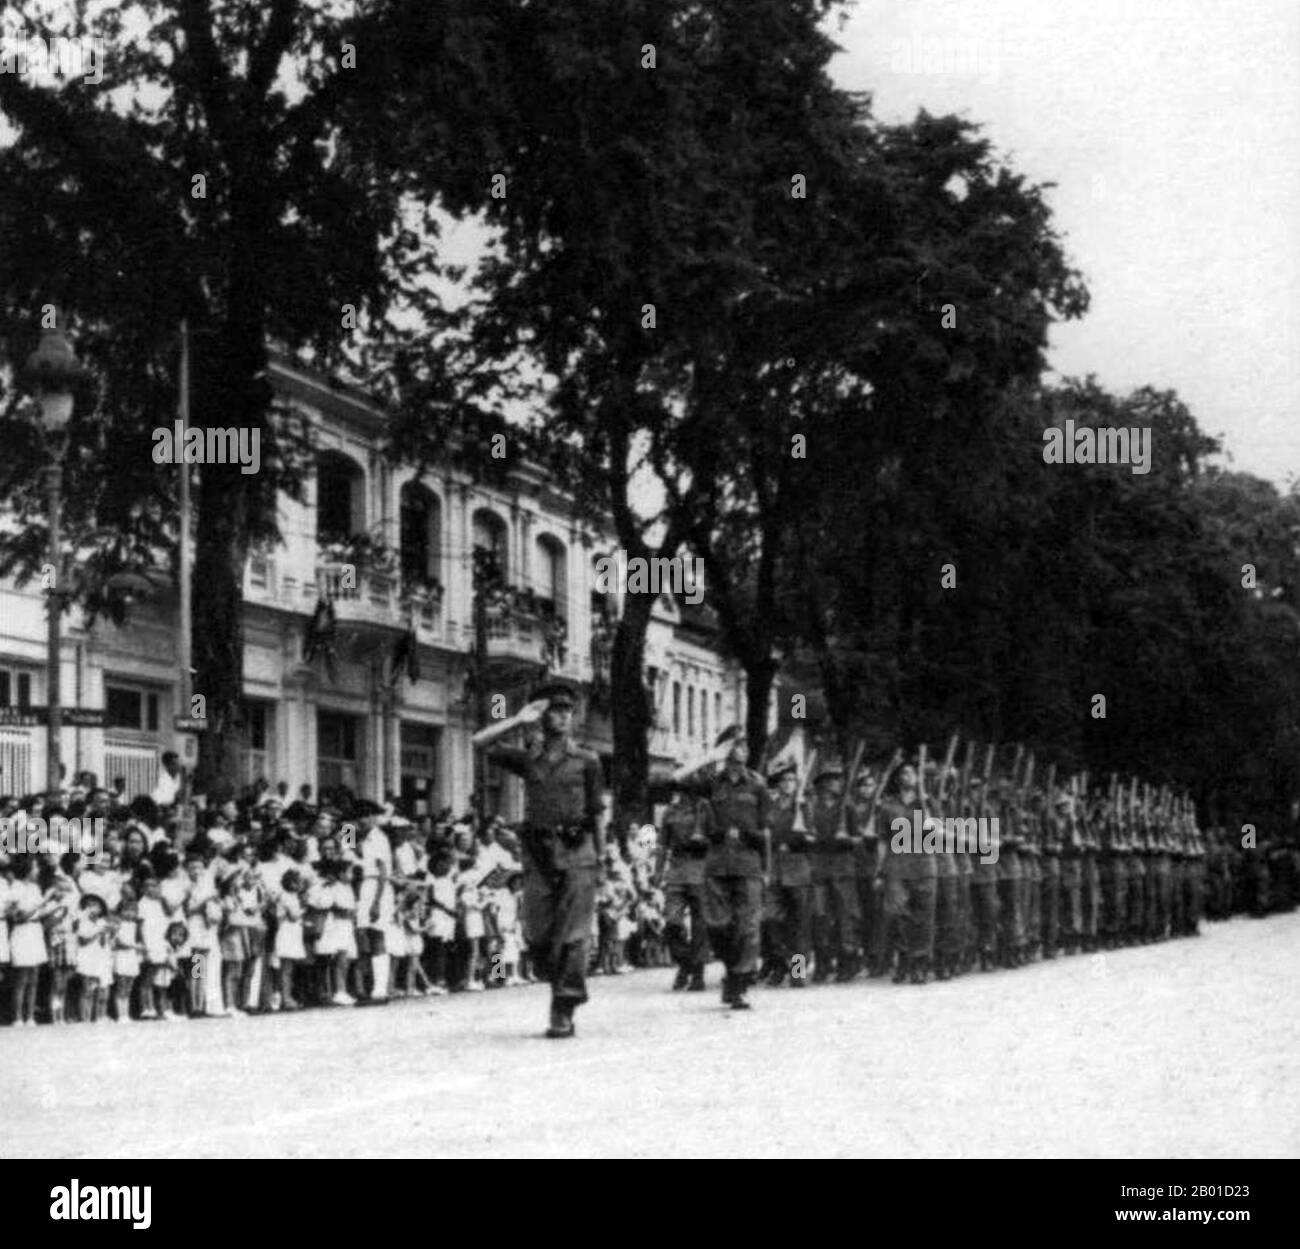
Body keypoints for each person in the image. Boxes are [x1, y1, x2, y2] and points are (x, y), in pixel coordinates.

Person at [472, 681, 605, 1038]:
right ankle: (555, 984)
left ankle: (563, 1007)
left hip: (579, 852)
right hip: (537, 852)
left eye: (566, 710)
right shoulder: (528, 757)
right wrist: (516, 719)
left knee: (574, 936)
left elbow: (596, 813)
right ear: (541, 716)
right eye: (553, 710)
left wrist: (602, 859)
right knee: (538, 933)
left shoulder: (588, 760)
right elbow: (480, 743)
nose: (560, 716)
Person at [671, 726, 771, 1010]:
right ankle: (731, 969)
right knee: (717, 926)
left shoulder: (758, 785)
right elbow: (677, 778)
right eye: (734, 745)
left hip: (748, 864)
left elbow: (766, 830)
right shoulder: (712, 782)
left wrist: (767, 869)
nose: (741, 749)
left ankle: (739, 983)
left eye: (743, 745)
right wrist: (708, 757)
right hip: (716, 865)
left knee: (748, 927)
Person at [651, 779, 712, 992]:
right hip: (677, 871)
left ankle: (797, 972)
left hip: (701, 869)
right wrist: (658, 871)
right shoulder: (670, 812)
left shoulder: (705, 809)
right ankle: (687, 963)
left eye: (688, 790)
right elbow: (661, 844)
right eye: (682, 790)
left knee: (700, 927)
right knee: (671, 922)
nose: (684, 794)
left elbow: (716, 837)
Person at [766, 761, 813, 987]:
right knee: (773, 920)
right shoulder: (771, 807)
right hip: (775, 868)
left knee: (798, 925)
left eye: (792, 780)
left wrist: (799, 837)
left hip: (798, 869)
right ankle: (780, 964)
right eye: (784, 780)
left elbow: (813, 836)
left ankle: (797, 971)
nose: (788, 784)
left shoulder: (803, 806)